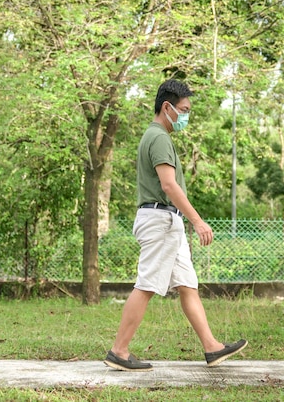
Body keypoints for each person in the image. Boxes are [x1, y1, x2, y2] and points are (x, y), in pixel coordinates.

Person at [104, 79, 247, 371]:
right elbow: (168, 185)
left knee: (187, 285)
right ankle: (119, 351)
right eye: (183, 110)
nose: (186, 116)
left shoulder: (158, 137)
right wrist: (197, 221)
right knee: (146, 285)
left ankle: (211, 347)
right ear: (167, 107)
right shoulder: (158, 138)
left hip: (169, 222)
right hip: (161, 220)